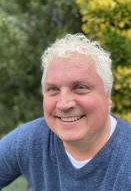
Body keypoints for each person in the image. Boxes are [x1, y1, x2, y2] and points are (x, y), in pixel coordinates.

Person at [0, 33, 131, 191]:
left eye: (80, 88)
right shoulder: (30, 141)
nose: (64, 104)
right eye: (53, 89)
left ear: (107, 95)